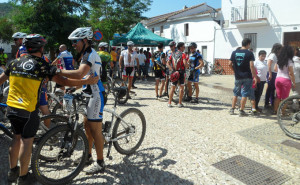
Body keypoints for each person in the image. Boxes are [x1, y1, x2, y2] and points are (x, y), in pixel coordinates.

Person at [0, 34, 98, 184]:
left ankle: (12, 172)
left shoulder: (14, 62)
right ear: (40, 48)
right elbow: (65, 81)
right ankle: (23, 177)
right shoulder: (42, 65)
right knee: (26, 142)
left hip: (11, 108)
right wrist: (86, 81)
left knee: (16, 138)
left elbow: (1, 79)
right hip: (27, 110)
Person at [57, 27, 107, 174]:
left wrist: (57, 71)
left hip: (96, 96)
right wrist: (76, 87)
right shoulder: (85, 54)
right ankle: (88, 156)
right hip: (88, 94)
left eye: (75, 42)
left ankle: (101, 162)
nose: (74, 45)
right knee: (87, 127)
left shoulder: (90, 54)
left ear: (85, 40)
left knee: (95, 130)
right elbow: (85, 79)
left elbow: (80, 74)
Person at [229, 38, 257, 116]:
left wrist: (235, 71)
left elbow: (229, 64)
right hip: (247, 76)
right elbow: (251, 65)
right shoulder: (249, 53)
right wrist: (254, 76)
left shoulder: (234, 52)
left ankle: (232, 109)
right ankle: (241, 110)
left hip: (237, 76)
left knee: (236, 93)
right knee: (244, 93)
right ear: (248, 44)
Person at [273, 46, 295, 114]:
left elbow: (275, 69)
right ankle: (282, 112)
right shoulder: (289, 61)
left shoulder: (279, 59)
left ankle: (275, 111)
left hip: (278, 79)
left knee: (278, 96)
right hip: (286, 80)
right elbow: (291, 73)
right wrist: (293, 82)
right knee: (285, 98)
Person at [167, 42, 187, 108]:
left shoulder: (172, 54)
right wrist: (188, 65)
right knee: (181, 87)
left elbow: (168, 63)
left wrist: (172, 70)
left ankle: (169, 103)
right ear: (180, 47)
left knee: (172, 87)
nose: (184, 48)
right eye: (183, 47)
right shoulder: (183, 54)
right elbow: (185, 64)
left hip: (174, 72)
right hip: (181, 72)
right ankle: (179, 103)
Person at [265, 43, 282, 109]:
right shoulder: (272, 55)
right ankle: (266, 103)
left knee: (273, 89)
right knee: (269, 89)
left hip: (275, 73)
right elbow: (269, 64)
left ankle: (272, 102)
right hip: (271, 73)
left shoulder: (276, 55)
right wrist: (270, 74)